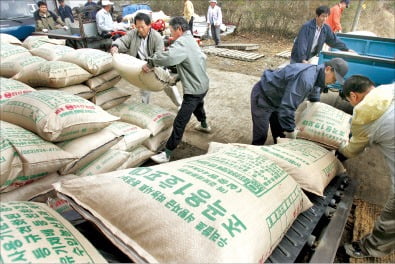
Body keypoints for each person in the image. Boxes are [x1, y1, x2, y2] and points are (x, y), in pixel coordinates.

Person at [337, 76, 395, 259]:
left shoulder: (363, 117)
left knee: (390, 217)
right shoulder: (389, 89)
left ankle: (371, 248)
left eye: (348, 101)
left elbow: (352, 150)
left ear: (353, 96)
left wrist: (339, 147)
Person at [148, 16, 211, 164]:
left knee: (180, 121)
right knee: (198, 105)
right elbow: (189, 62)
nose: (170, 33)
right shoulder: (191, 40)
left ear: (179, 29)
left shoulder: (182, 42)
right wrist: (177, 76)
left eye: (171, 30)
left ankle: (167, 153)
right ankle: (204, 125)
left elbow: (169, 57)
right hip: (203, 85)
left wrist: (151, 62)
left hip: (194, 89)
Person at [251, 58, 348, 145]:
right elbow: (288, 107)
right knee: (261, 136)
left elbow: (315, 93)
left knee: (280, 134)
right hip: (264, 96)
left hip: (279, 100)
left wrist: (315, 107)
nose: (334, 82)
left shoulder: (318, 75)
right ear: (328, 69)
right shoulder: (306, 79)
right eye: (334, 78)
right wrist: (291, 131)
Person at [110, 13, 182, 107]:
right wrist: (115, 46)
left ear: (149, 25)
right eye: (137, 27)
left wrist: (151, 65)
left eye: (142, 27)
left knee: (169, 85)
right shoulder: (133, 33)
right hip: (141, 66)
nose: (140, 29)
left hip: (156, 65)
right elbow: (123, 41)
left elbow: (159, 55)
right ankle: (145, 107)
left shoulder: (156, 37)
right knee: (144, 88)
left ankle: (180, 104)